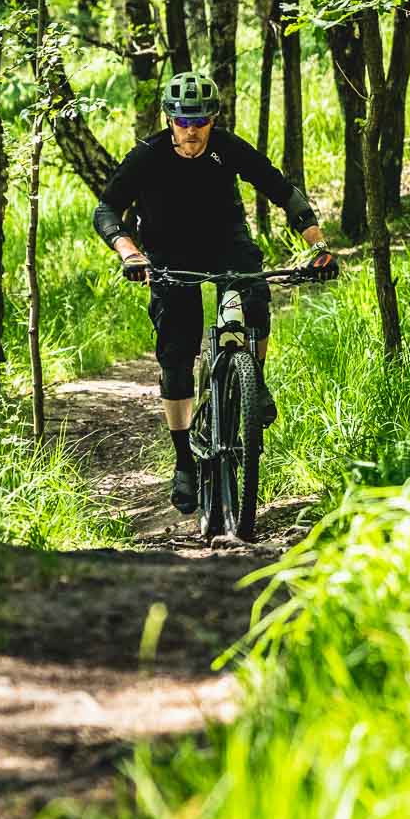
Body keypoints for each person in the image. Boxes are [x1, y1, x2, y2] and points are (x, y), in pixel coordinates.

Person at [92, 70, 334, 515]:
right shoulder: (147, 156)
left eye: (200, 120)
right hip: (168, 255)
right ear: (169, 120)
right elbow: (107, 208)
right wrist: (130, 253)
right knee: (176, 356)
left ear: (213, 119)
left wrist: (318, 247)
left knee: (254, 297)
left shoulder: (226, 147)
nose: (192, 130)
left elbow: (282, 191)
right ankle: (184, 462)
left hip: (226, 245)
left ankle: (253, 380)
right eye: (183, 121)